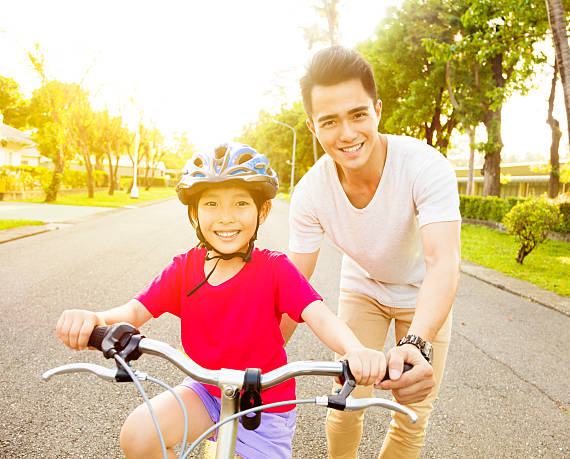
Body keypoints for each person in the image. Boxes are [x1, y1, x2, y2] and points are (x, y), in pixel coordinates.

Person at [55, 142, 389, 459]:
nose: (226, 217)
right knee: (140, 434)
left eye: (240, 203)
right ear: (194, 215)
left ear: (263, 210)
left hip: (265, 405)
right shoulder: (183, 269)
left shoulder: (275, 269)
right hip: (206, 391)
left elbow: (320, 315)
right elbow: (134, 311)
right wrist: (95, 320)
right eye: (211, 204)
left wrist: (354, 350)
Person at [281, 46, 462, 458]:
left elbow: (443, 263)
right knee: (345, 403)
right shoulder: (311, 192)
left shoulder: (425, 166)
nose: (347, 134)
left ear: (377, 110)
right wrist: (259, 355)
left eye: (358, 114)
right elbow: (293, 283)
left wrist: (417, 341)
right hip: (364, 288)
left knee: (411, 412)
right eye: (330, 121)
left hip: (423, 292)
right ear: (312, 126)